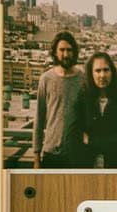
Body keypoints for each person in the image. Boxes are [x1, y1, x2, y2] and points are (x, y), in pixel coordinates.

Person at [32, 31, 85, 168]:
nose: (66, 54)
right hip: (51, 154)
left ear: (74, 53)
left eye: (69, 50)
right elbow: (39, 118)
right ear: (55, 52)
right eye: (62, 50)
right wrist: (36, 157)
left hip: (76, 154)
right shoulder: (46, 79)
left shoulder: (83, 79)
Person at [80, 52, 117, 168]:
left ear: (112, 72)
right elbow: (78, 137)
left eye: (106, 70)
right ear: (91, 73)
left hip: (116, 164)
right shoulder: (83, 101)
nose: (102, 75)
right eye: (98, 71)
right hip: (88, 165)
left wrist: (91, 141)